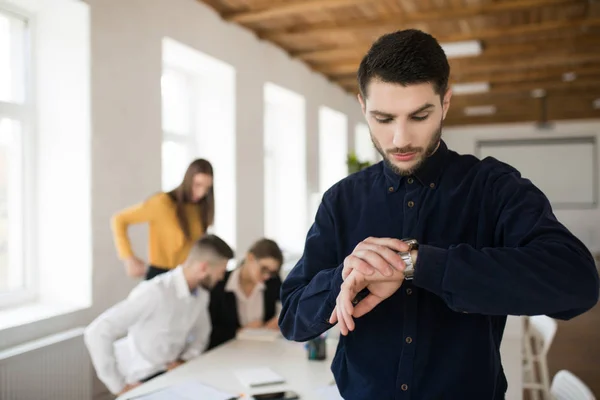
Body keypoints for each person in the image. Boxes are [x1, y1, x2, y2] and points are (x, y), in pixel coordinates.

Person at [278, 29, 600, 399]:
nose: (400, 139)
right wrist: (348, 276)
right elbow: (292, 319)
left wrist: (416, 263)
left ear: (445, 102)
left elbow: (578, 284)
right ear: (363, 106)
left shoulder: (493, 187)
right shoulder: (341, 201)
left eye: (419, 116)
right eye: (383, 118)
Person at [84, 234, 234, 396]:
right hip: (142, 378)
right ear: (203, 267)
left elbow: (202, 334)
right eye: (221, 271)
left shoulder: (201, 295)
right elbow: (97, 331)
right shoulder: (156, 292)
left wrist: (185, 359)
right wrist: (118, 386)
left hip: (173, 374)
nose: (221, 277)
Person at [111, 159, 215, 280]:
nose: (201, 193)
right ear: (188, 180)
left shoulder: (200, 208)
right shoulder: (162, 203)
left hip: (187, 276)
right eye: (197, 185)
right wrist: (128, 258)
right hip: (160, 275)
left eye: (207, 188)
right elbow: (119, 220)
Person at [208, 238, 284, 350]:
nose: (267, 276)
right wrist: (240, 331)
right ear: (250, 258)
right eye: (264, 269)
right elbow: (210, 332)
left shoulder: (273, 282)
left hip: (265, 350)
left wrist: (279, 320)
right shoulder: (220, 284)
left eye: (272, 272)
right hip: (229, 353)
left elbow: (287, 307)